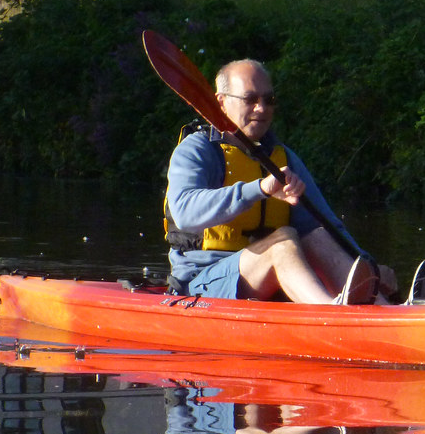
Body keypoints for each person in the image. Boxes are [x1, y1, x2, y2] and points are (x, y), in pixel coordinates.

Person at [164, 58, 397, 304]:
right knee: (282, 242)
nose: (261, 108)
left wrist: (368, 268)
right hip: (200, 283)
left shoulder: (281, 157)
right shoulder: (197, 150)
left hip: (257, 275)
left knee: (315, 235)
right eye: (250, 99)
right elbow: (185, 213)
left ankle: (384, 309)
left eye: (268, 100)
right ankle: (328, 313)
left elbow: (327, 225)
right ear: (221, 102)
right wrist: (260, 189)